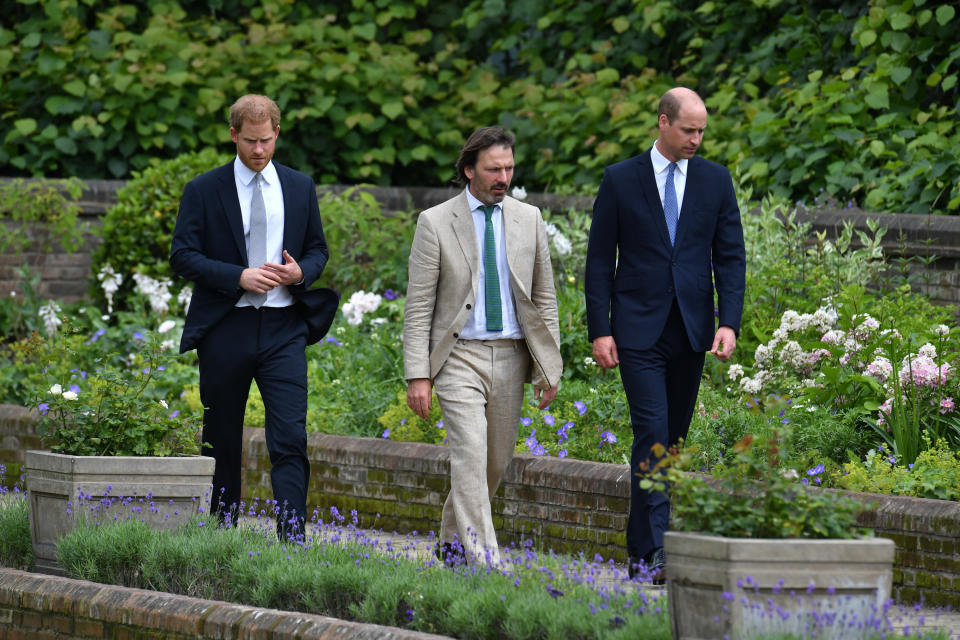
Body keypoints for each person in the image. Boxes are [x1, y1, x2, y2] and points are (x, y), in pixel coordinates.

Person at [584, 87, 746, 581]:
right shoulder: (620, 180)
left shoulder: (716, 182)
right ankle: (656, 554)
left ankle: (639, 552)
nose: (696, 139)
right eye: (688, 130)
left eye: (701, 131)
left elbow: (730, 256)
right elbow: (597, 262)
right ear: (662, 122)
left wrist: (728, 321)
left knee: (671, 441)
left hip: (692, 331)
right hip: (637, 331)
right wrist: (600, 330)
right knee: (651, 432)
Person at [170, 94, 337, 539]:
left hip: (284, 327)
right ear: (232, 135)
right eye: (249, 141)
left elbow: (318, 249)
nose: (258, 150)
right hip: (227, 327)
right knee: (222, 437)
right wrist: (237, 276)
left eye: (266, 141)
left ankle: (292, 541)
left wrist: (302, 271)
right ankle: (221, 533)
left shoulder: (300, 187)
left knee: (289, 437)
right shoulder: (204, 189)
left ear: (277, 134)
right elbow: (182, 256)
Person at [403, 126, 563, 565]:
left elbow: (544, 296)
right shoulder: (435, 222)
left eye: (509, 168)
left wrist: (550, 367)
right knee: (470, 456)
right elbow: (418, 307)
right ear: (470, 170)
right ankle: (487, 561)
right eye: (494, 169)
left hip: (512, 356)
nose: (503, 177)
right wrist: (419, 374)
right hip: (458, 358)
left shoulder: (528, 219)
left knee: (494, 464)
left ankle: (451, 543)